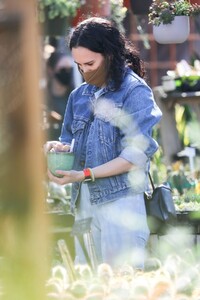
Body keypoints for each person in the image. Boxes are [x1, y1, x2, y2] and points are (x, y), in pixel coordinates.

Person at [46, 17, 162, 271]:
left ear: (110, 55)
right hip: (84, 204)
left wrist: (85, 174)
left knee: (123, 284)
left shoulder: (134, 92)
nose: (85, 71)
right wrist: (57, 149)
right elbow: (69, 141)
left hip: (120, 204)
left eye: (90, 63)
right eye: (79, 65)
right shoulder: (79, 95)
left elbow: (134, 156)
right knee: (88, 286)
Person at [45, 51, 74, 140]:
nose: (67, 72)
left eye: (70, 69)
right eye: (63, 69)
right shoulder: (42, 98)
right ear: (51, 70)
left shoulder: (76, 98)